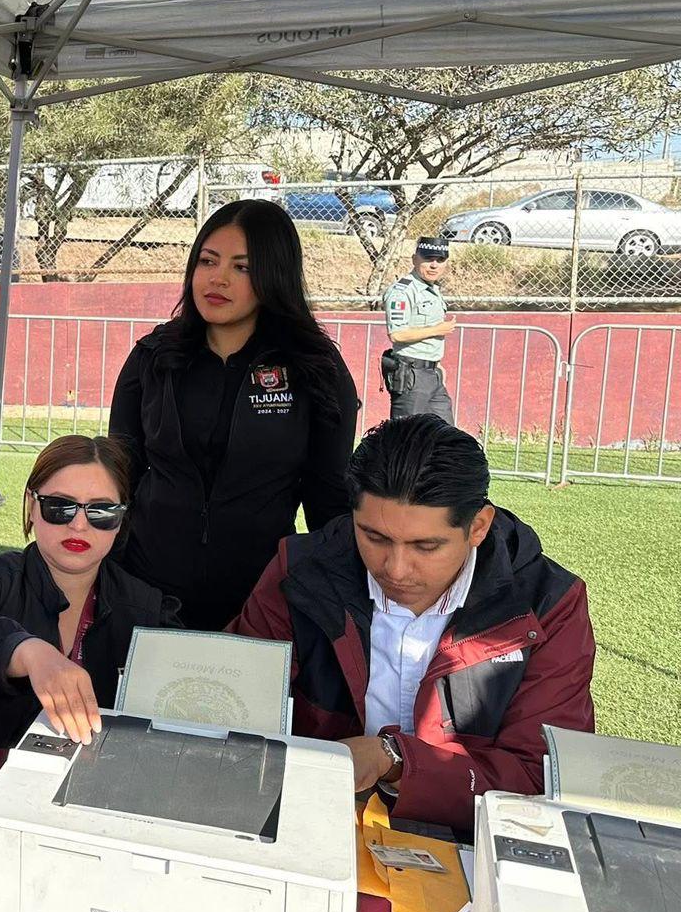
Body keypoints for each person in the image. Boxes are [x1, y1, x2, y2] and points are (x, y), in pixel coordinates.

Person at [229, 415, 596, 833]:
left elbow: (542, 779)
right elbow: (237, 709)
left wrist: (393, 760)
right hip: (313, 816)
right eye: (374, 537)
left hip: (475, 839)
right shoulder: (298, 572)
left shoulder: (548, 605)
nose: (396, 569)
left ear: (478, 526)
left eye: (426, 546)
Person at [108, 200, 360, 632]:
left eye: (242, 267)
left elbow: (330, 499)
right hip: (145, 591)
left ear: (273, 276)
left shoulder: (315, 369)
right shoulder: (153, 357)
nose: (218, 278)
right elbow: (118, 476)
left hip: (261, 601)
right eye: (208, 260)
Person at [0, 435, 180, 748]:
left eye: (101, 511)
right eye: (60, 506)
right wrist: (28, 652)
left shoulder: (148, 608)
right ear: (31, 504)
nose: (79, 525)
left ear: (121, 520)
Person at [381, 237, 457, 424]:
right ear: (415, 259)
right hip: (412, 375)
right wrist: (437, 329)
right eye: (428, 259)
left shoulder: (432, 290)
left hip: (432, 374)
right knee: (407, 439)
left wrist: (436, 365)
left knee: (447, 438)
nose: (434, 265)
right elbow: (397, 334)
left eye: (440, 260)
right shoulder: (402, 291)